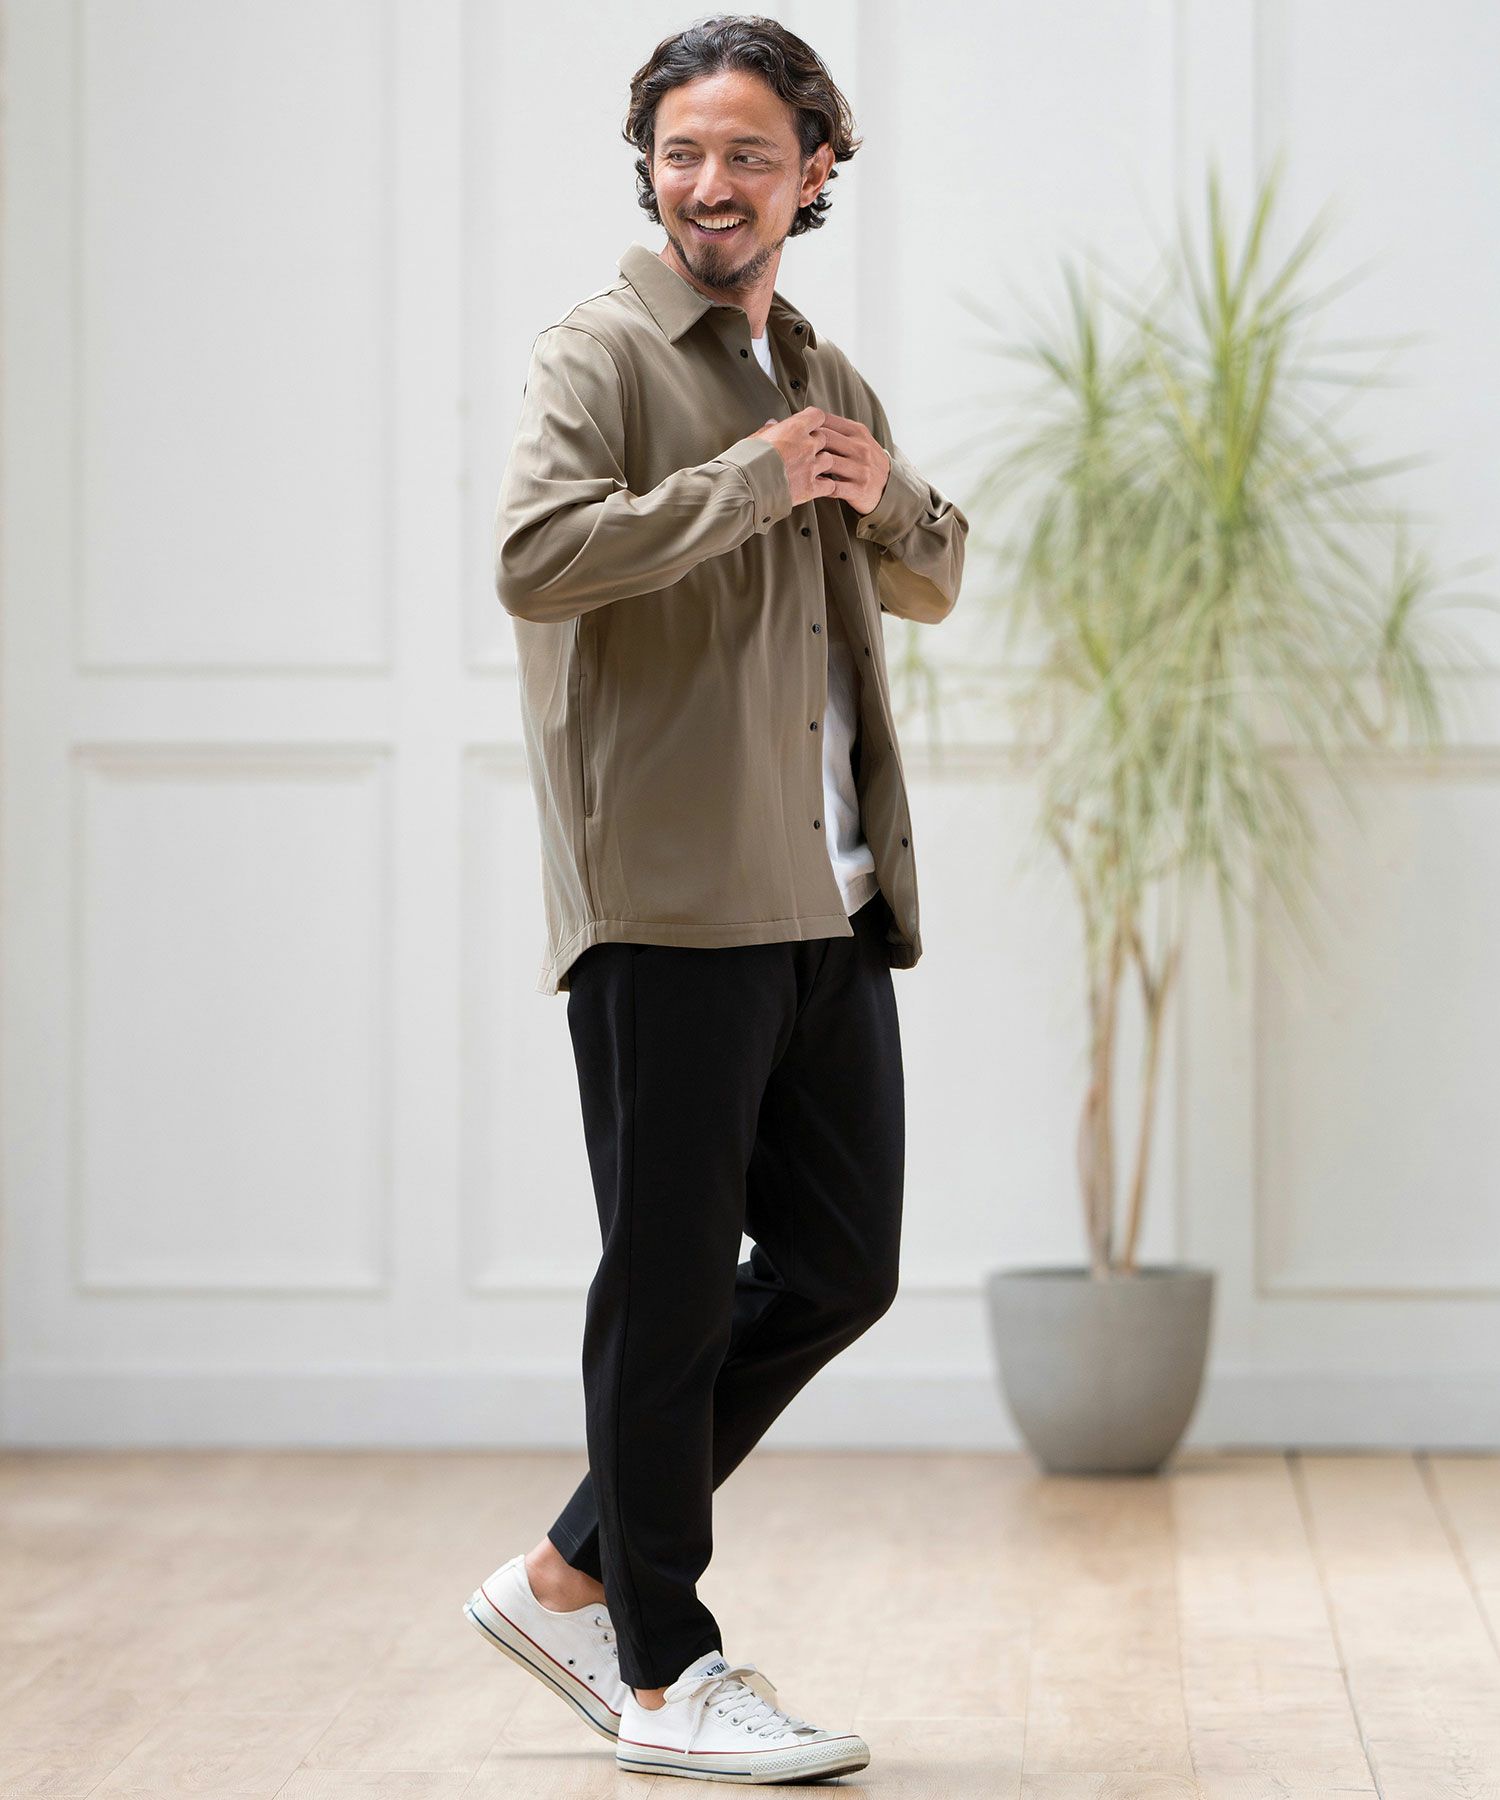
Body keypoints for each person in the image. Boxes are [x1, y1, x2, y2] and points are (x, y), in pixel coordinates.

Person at [463, 14, 967, 1784]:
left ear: (814, 171)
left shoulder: (821, 370)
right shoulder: (598, 353)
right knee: (668, 1290)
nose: (711, 183)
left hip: (827, 894)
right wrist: (747, 485)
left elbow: (934, 575)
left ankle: (567, 1572)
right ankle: (665, 1673)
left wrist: (880, 487)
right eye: (683, 152)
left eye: (750, 153)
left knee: (841, 1267)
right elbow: (535, 558)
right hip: (670, 898)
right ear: (650, 168)